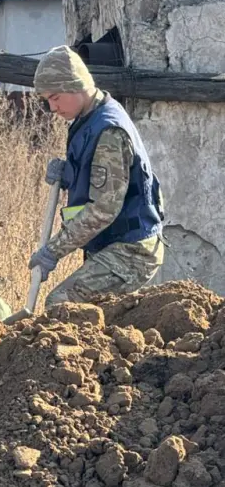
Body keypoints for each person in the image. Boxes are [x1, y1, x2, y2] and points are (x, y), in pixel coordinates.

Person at [30, 46, 165, 307]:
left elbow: (104, 209)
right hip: (112, 243)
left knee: (61, 304)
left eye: (55, 97)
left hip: (131, 251)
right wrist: (67, 173)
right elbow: (95, 176)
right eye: (47, 100)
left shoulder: (108, 131)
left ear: (75, 85)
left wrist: (53, 251)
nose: (52, 107)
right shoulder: (90, 118)